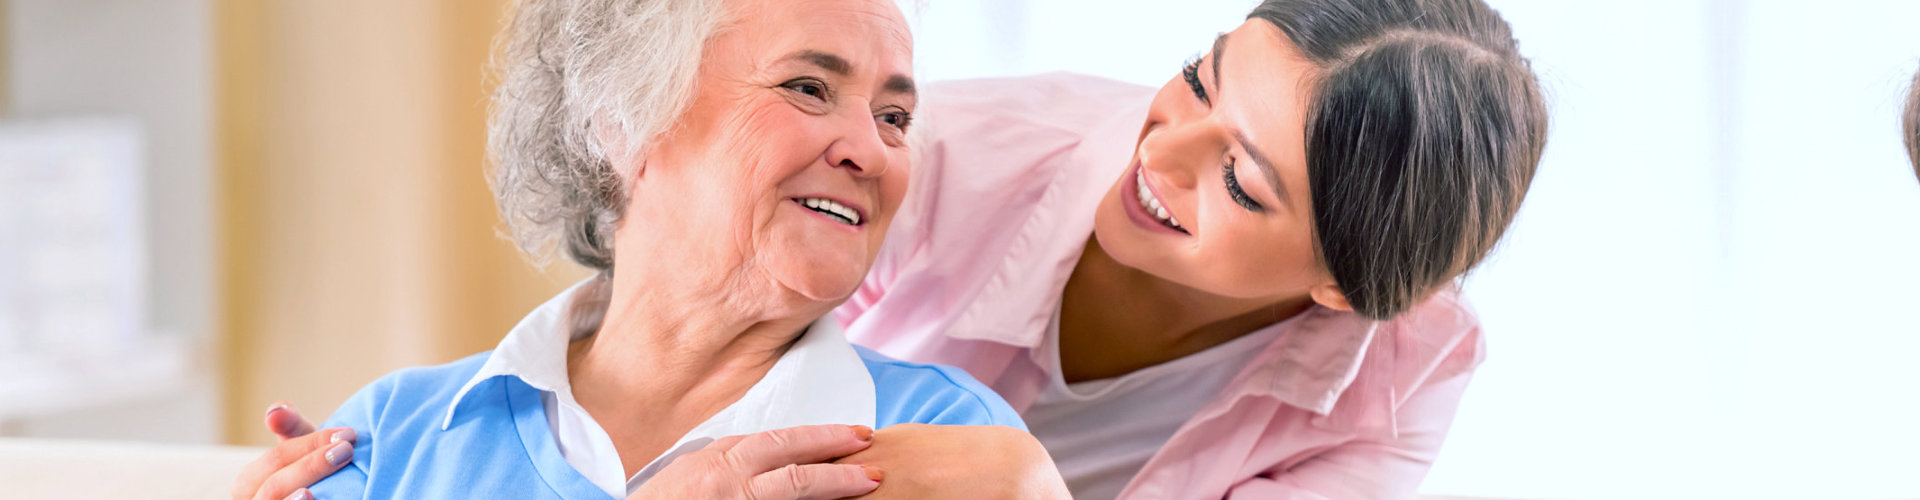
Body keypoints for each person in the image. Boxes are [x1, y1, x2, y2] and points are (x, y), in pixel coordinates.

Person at [239, 0, 1549, 498]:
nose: (1163, 157)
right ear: (620, 122)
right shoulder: (401, 431)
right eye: (1194, 83)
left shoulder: (912, 451)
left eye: (1244, 182)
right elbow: (705, 259)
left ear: (1342, 283)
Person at [231, 0, 1059, 498]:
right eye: (809, 87)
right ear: (623, 122)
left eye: (895, 118)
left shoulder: (944, 441)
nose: (871, 151)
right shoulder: (392, 435)